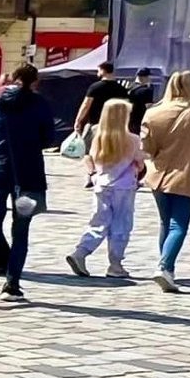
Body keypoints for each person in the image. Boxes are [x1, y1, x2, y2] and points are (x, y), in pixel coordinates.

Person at [0, 64, 55, 302]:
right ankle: (11, 285)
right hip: (27, 178)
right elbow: (49, 139)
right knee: (21, 231)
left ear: (13, 79)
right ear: (34, 81)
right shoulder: (40, 104)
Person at [141, 70, 190, 293]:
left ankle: (166, 266)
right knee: (179, 225)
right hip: (186, 174)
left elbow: (147, 148)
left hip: (159, 174)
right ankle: (165, 267)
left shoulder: (153, 114)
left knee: (166, 223)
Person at [66, 99, 144, 280]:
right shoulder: (132, 139)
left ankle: (81, 252)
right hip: (124, 187)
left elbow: (89, 159)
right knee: (121, 224)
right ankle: (115, 264)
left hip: (101, 184)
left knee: (98, 222)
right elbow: (140, 164)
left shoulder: (97, 136)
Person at [72, 62, 130, 189]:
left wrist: (78, 120)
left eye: (98, 70)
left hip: (95, 124)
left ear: (103, 71)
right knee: (113, 151)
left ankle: (91, 173)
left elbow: (86, 105)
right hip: (116, 126)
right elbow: (126, 108)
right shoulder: (121, 89)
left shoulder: (95, 87)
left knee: (87, 151)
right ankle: (110, 175)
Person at [127, 68, 157, 135]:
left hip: (129, 121)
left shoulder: (130, 87)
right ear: (145, 77)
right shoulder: (147, 90)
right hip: (141, 121)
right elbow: (149, 107)